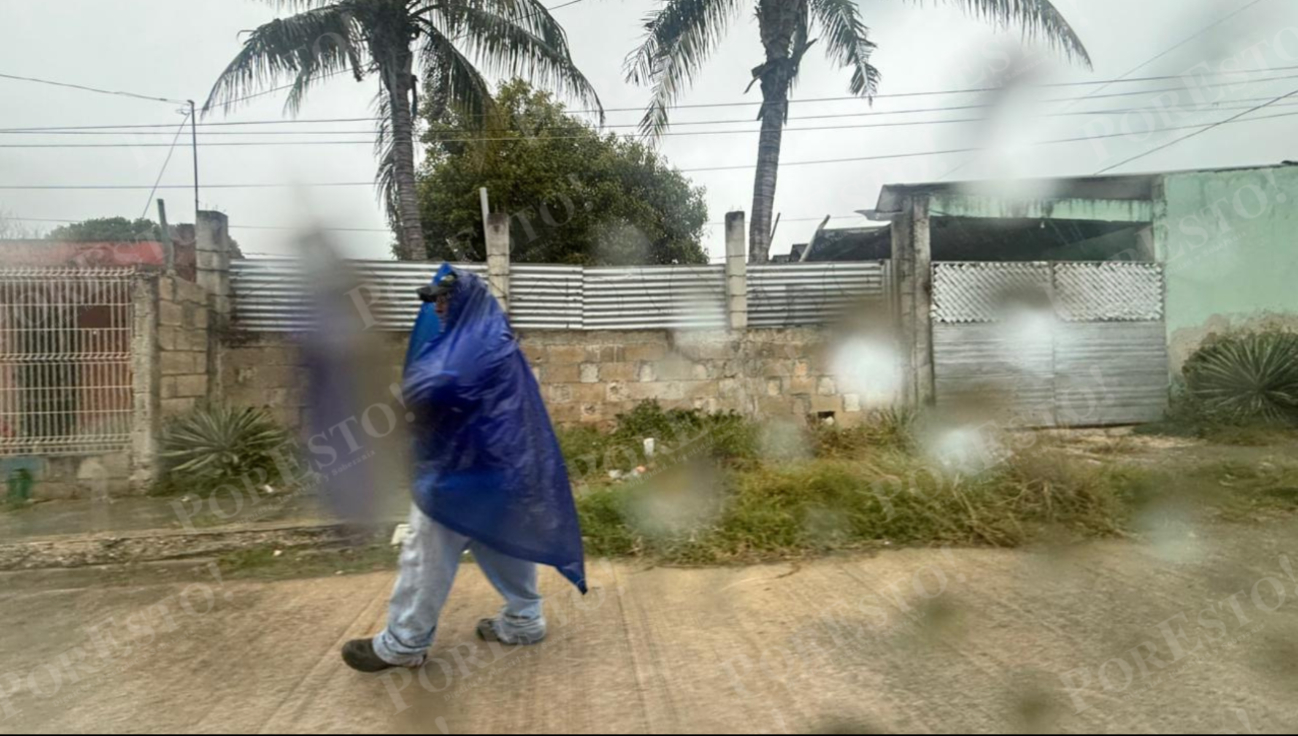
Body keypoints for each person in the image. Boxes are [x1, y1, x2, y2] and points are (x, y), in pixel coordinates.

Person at [342, 264, 586, 673]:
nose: (436, 308)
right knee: (500, 540)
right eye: (434, 301)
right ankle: (524, 621)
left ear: (463, 301)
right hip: (502, 470)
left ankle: (403, 643)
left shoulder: (476, 344)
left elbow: (447, 387)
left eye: (442, 300)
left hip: (462, 472)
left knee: (425, 548)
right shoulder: (490, 337)